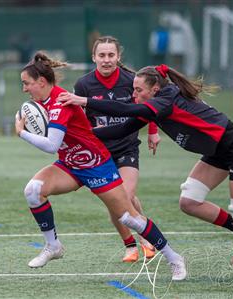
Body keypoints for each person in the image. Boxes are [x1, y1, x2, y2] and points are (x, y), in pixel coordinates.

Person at [15, 52, 186, 281]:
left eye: (26, 83)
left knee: (130, 218)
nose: (24, 89)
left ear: (41, 82)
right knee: (33, 190)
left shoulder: (59, 103)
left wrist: (22, 133)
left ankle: (174, 258)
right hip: (70, 164)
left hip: (96, 164)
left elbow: (50, 145)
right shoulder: (39, 103)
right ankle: (53, 246)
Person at [57, 64, 233, 265]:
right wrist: (78, 135)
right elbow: (121, 129)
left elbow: (127, 109)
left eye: (138, 90)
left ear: (155, 88)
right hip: (216, 153)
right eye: (133, 90)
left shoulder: (166, 99)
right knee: (189, 201)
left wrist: (84, 100)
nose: (134, 94)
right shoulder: (155, 106)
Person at [74, 36, 161, 262]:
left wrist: (153, 130)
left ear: (118, 57)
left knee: (124, 196)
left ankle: (144, 237)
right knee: (118, 200)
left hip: (127, 147)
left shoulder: (132, 80)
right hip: (100, 152)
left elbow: (149, 104)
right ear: (93, 57)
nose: (106, 60)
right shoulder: (83, 85)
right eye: (101, 55)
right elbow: (80, 120)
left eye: (111, 55)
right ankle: (131, 244)